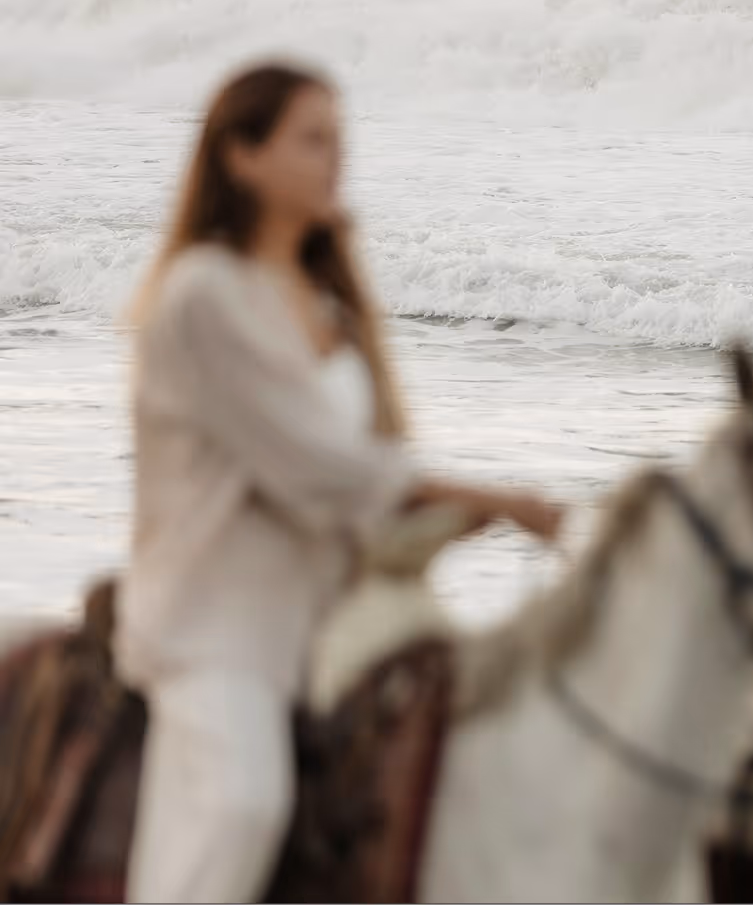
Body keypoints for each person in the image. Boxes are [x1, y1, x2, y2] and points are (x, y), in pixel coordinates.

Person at [117, 62, 564, 904]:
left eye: (341, 141)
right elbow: (323, 468)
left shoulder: (326, 306)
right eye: (312, 139)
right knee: (245, 801)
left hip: (336, 611)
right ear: (241, 156)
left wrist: (454, 521)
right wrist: (497, 500)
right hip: (221, 625)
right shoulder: (202, 296)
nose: (336, 161)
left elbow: (367, 483)